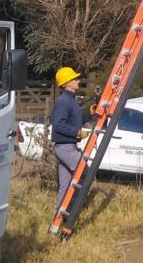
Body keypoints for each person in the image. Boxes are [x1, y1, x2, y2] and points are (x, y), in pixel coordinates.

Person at [51, 66, 95, 211]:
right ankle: (72, 209)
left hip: (67, 147)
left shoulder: (71, 100)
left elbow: (76, 118)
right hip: (66, 148)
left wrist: (89, 112)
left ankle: (60, 216)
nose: (78, 80)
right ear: (67, 83)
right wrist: (77, 133)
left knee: (65, 185)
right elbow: (58, 125)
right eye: (74, 79)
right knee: (85, 174)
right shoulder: (63, 101)